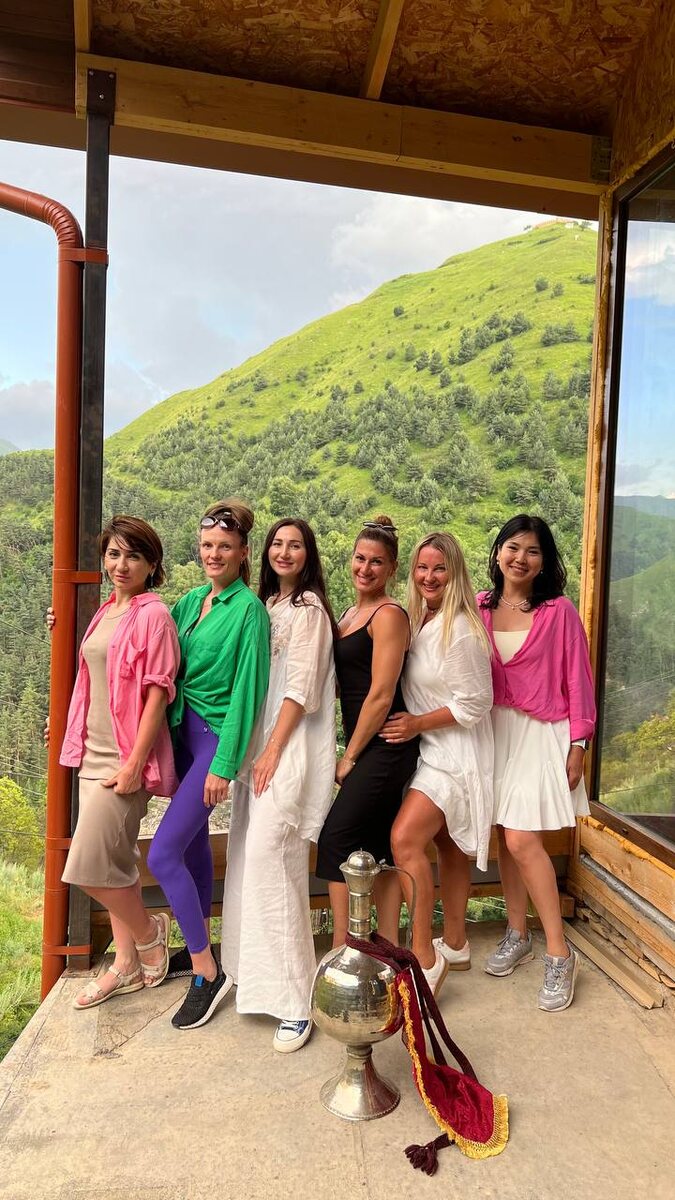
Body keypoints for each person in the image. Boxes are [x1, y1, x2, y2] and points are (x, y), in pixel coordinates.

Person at [148, 500, 270, 1031]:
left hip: (214, 742)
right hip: (180, 737)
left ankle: (206, 970)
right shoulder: (190, 601)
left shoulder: (250, 611)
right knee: (194, 849)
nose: (213, 554)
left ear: (243, 553)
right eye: (206, 546)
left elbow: (249, 692)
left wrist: (224, 764)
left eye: (224, 547)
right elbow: (151, 652)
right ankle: (204, 945)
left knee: (162, 854)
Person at [220, 518, 336, 1052]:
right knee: (248, 859)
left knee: (275, 860)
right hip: (256, 752)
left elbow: (301, 689)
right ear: (263, 552)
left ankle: (295, 1000)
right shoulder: (266, 606)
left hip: (288, 752)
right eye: (277, 544)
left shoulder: (310, 610)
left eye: (295, 545)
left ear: (308, 555)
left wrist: (272, 750)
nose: (284, 552)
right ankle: (252, 978)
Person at [57, 516, 180, 1008]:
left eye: (133, 556)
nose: (121, 565)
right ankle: (125, 964)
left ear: (152, 564)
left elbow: (158, 696)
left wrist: (134, 764)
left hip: (125, 760)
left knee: (87, 868)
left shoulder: (155, 615)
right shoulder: (106, 611)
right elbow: (92, 676)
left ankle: (150, 934)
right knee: (116, 862)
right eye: (113, 554)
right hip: (90, 753)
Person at [477, 514, 595, 1012]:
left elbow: (579, 678)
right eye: (512, 547)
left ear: (544, 561)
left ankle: (560, 954)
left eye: (532, 551)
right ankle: (517, 932)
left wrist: (578, 744)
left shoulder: (558, 611)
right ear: (497, 552)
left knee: (523, 839)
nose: (520, 558)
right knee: (507, 837)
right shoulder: (478, 606)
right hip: (492, 733)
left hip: (540, 732)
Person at [385, 533, 493, 997]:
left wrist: (415, 724)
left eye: (440, 569)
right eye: (422, 567)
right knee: (447, 845)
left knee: (405, 839)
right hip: (428, 748)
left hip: (454, 754)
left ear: (456, 574)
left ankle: (425, 957)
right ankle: (457, 944)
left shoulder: (462, 629)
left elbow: (477, 702)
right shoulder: (419, 619)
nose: (429, 577)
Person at [316, 516, 419, 946]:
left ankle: (345, 947)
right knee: (379, 846)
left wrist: (350, 755)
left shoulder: (389, 615)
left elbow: (380, 694)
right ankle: (388, 946)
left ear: (392, 568)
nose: (366, 568)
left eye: (377, 562)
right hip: (368, 742)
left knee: (335, 841)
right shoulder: (349, 613)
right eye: (360, 558)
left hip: (384, 745)